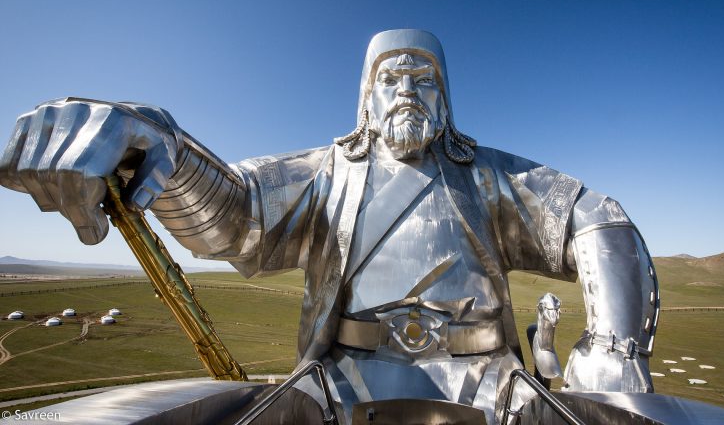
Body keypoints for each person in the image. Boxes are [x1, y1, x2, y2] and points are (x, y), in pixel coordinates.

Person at [0, 29, 659, 424]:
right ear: (365, 97)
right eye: (390, 77)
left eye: (423, 78)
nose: (406, 89)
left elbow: (594, 217)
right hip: (338, 382)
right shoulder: (326, 173)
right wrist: (162, 147)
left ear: (446, 96)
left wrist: (614, 346)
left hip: (492, 381)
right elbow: (235, 216)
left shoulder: (489, 176)